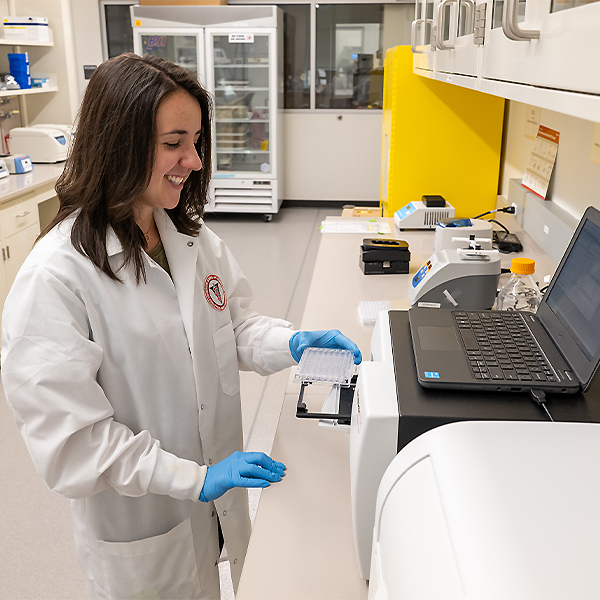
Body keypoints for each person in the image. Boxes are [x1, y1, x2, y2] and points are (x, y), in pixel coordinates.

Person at [1, 53, 361, 600]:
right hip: (142, 528)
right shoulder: (55, 280)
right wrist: (196, 478)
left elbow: (232, 327)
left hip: (209, 508)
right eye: (173, 143)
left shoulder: (187, 239)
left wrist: (290, 341)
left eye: (195, 141)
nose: (193, 160)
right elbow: (76, 443)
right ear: (119, 143)